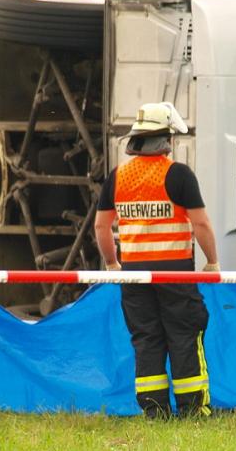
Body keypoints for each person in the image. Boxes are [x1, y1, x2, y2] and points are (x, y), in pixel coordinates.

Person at [94, 102, 219, 418]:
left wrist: (112, 264)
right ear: (165, 140)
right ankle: (192, 410)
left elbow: (101, 226)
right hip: (175, 275)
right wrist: (212, 261)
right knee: (184, 336)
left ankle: (154, 411)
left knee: (146, 339)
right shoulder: (178, 175)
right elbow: (201, 224)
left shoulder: (117, 176)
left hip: (134, 277)